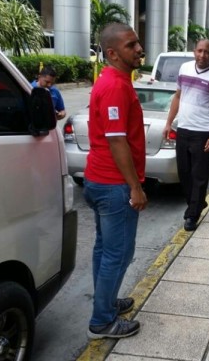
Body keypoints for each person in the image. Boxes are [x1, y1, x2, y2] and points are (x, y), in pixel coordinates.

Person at [83, 22, 147, 339]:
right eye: (130, 45)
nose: (138, 49)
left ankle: (106, 304)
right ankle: (102, 321)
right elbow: (116, 140)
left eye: (137, 43)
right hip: (112, 185)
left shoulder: (116, 80)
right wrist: (135, 187)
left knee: (104, 250)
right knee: (118, 254)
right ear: (112, 53)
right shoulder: (114, 86)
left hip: (100, 181)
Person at [163, 38, 209, 232]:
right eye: (200, 51)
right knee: (184, 174)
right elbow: (178, 96)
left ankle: (192, 215)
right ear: (194, 51)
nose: (203, 55)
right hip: (183, 129)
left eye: (207, 52)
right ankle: (197, 203)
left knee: (199, 176)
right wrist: (169, 123)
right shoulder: (184, 69)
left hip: (204, 132)